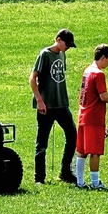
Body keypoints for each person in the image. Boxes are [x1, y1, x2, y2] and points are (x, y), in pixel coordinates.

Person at [75, 44, 108, 190]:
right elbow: (103, 96)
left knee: (82, 151)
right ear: (103, 57)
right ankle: (95, 182)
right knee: (95, 152)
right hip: (94, 118)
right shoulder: (98, 74)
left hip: (82, 115)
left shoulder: (87, 71)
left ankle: (80, 182)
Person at [30, 28, 78, 184]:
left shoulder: (62, 54)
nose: (68, 47)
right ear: (58, 39)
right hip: (46, 106)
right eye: (67, 44)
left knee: (72, 136)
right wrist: (40, 101)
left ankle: (65, 172)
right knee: (42, 142)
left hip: (61, 104)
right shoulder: (45, 54)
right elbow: (32, 78)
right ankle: (39, 178)